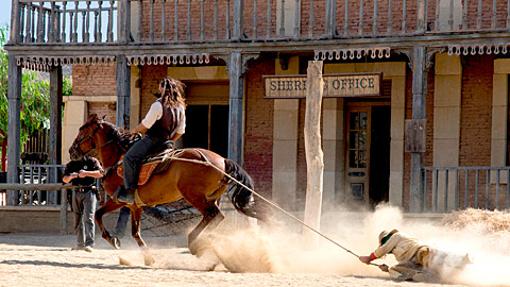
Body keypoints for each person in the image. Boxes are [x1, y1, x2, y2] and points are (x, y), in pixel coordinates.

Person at [117, 77, 186, 204]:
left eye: (160, 86)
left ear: (162, 88)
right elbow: (180, 131)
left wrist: (134, 131)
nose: (158, 88)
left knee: (129, 158)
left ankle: (130, 193)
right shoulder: (181, 107)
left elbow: (145, 126)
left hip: (152, 141)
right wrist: (170, 140)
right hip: (168, 144)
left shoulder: (158, 105)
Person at [359, 229, 470, 282]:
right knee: (395, 269)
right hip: (419, 261)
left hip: (422, 252)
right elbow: (403, 265)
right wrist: (387, 269)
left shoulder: (397, 236)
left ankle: (461, 261)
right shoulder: (398, 252)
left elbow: (382, 250)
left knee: (437, 260)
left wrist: (369, 258)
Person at [62, 156, 104, 252]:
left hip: (89, 191)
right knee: (77, 218)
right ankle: (80, 244)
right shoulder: (71, 164)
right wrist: (72, 176)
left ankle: (89, 244)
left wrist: (86, 173)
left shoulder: (92, 161)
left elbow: (100, 173)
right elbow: (64, 179)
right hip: (76, 191)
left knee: (88, 218)